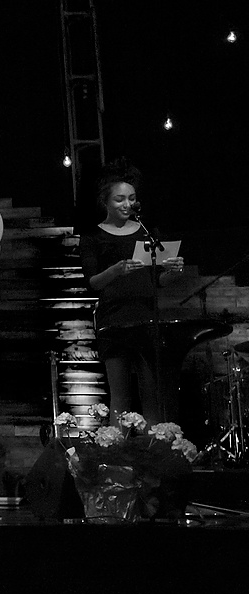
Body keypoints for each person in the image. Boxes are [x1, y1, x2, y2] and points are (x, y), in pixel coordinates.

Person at [79, 160, 184, 424]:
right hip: (114, 320)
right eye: (120, 199)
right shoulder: (93, 237)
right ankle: (117, 456)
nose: (127, 204)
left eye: (132, 199)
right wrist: (116, 270)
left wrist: (172, 272)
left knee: (151, 392)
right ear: (105, 202)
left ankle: (153, 453)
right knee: (121, 396)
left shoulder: (149, 234)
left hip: (147, 318)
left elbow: (158, 282)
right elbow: (93, 282)